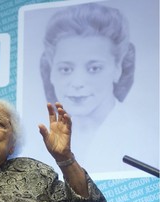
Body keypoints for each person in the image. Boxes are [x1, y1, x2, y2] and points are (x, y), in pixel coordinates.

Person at [39, 3, 138, 171]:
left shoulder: (145, 137)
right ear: (51, 71)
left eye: (94, 68)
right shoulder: (36, 143)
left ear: (117, 69)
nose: (78, 82)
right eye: (66, 69)